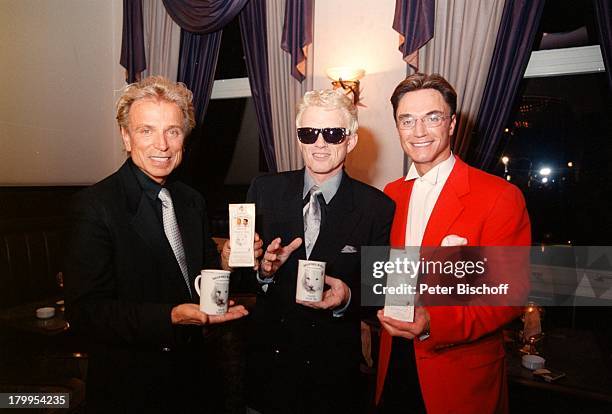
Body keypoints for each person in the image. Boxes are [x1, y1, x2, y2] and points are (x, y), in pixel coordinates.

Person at [63, 76, 259, 413]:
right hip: (133, 388)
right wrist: (172, 316)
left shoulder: (191, 200)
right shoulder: (96, 205)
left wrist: (227, 261)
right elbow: (86, 313)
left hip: (197, 379)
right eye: (146, 130)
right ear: (126, 137)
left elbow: (204, 276)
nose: (162, 145)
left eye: (172, 130)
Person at [375, 73, 531, 414]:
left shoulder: (499, 197)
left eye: (432, 118)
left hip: (458, 377)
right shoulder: (391, 194)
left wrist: (435, 321)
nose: (419, 131)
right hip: (394, 365)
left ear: (452, 124)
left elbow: (510, 296)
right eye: (407, 120)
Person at [243, 89, 395, 413]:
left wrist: (348, 298)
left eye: (333, 133)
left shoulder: (377, 208)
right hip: (270, 372)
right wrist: (262, 272)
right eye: (309, 133)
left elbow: (378, 293)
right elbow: (241, 276)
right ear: (299, 139)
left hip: (333, 378)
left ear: (350, 140)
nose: (320, 144)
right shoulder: (264, 190)